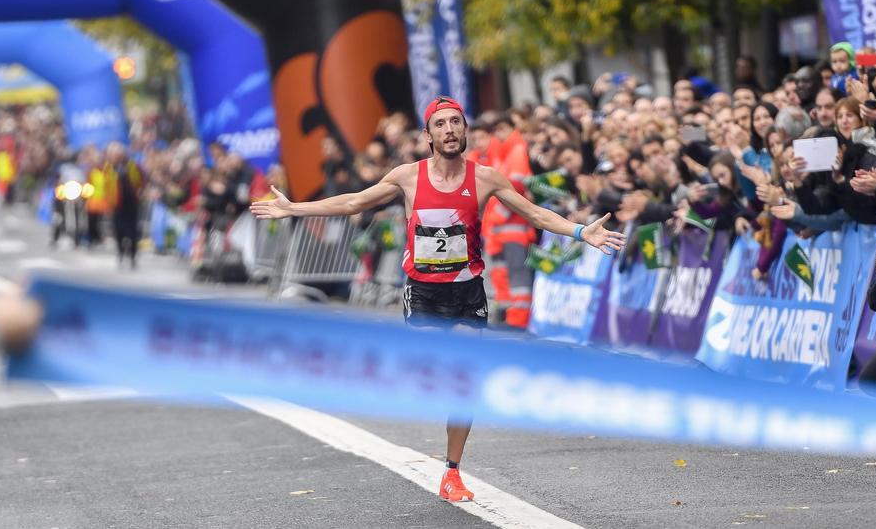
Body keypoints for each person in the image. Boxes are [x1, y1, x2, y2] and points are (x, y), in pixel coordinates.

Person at [250, 95, 626, 502]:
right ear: (427, 135)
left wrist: (579, 231)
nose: (450, 130)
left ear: (465, 130)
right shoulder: (408, 177)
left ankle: (452, 472)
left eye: (456, 122)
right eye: (441, 124)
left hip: (468, 292)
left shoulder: (485, 177)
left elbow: (535, 214)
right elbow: (354, 201)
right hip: (424, 292)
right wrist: (294, 209)